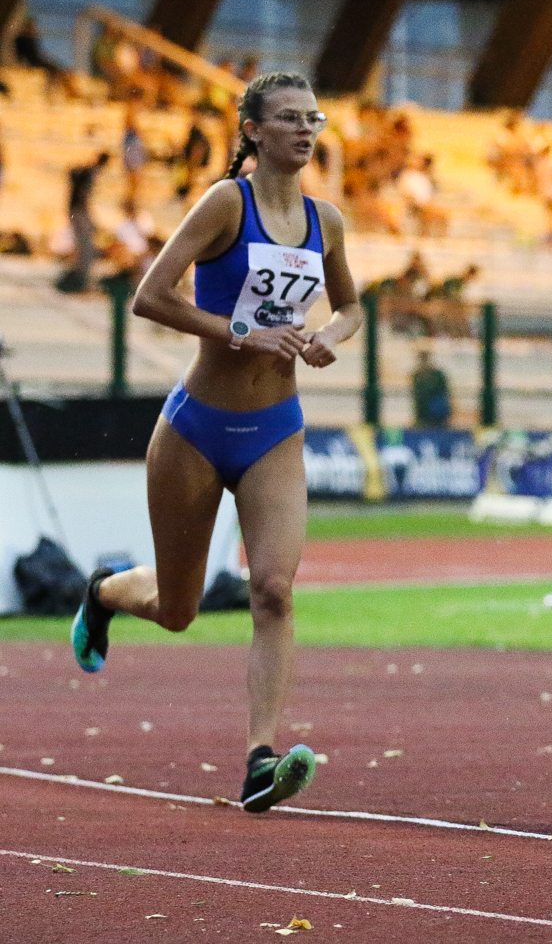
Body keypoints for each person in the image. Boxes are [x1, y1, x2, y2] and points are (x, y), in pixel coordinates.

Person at [69, 72, 362, 813]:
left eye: (314, 119)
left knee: (273, 590)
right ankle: (104, 592)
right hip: (196, 427)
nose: (306, 130)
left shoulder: (327, 220)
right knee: (179, 608)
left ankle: (260, 759)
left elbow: (353, 308)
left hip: (276, 430)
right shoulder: (226, 203)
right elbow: (150, 296)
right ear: (253, 131)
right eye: (289, 118)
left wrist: (329, 337)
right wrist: (242, 332)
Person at [58, 152, 110, 292]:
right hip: (79, 211)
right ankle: (81, 280)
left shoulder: (85, 170)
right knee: (86, 247)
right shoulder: (90, 173)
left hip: (76, 211)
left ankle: (80, 278)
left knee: (84, 245)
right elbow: (84, 196)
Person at [411, 349, 451, 428]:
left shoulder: (438, 375)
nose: (423, 363)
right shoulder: (417, 376)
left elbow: (443, 391)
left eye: (425, 359)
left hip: (438, 413)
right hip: (423, 415)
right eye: (421, 360)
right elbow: (416, 396)